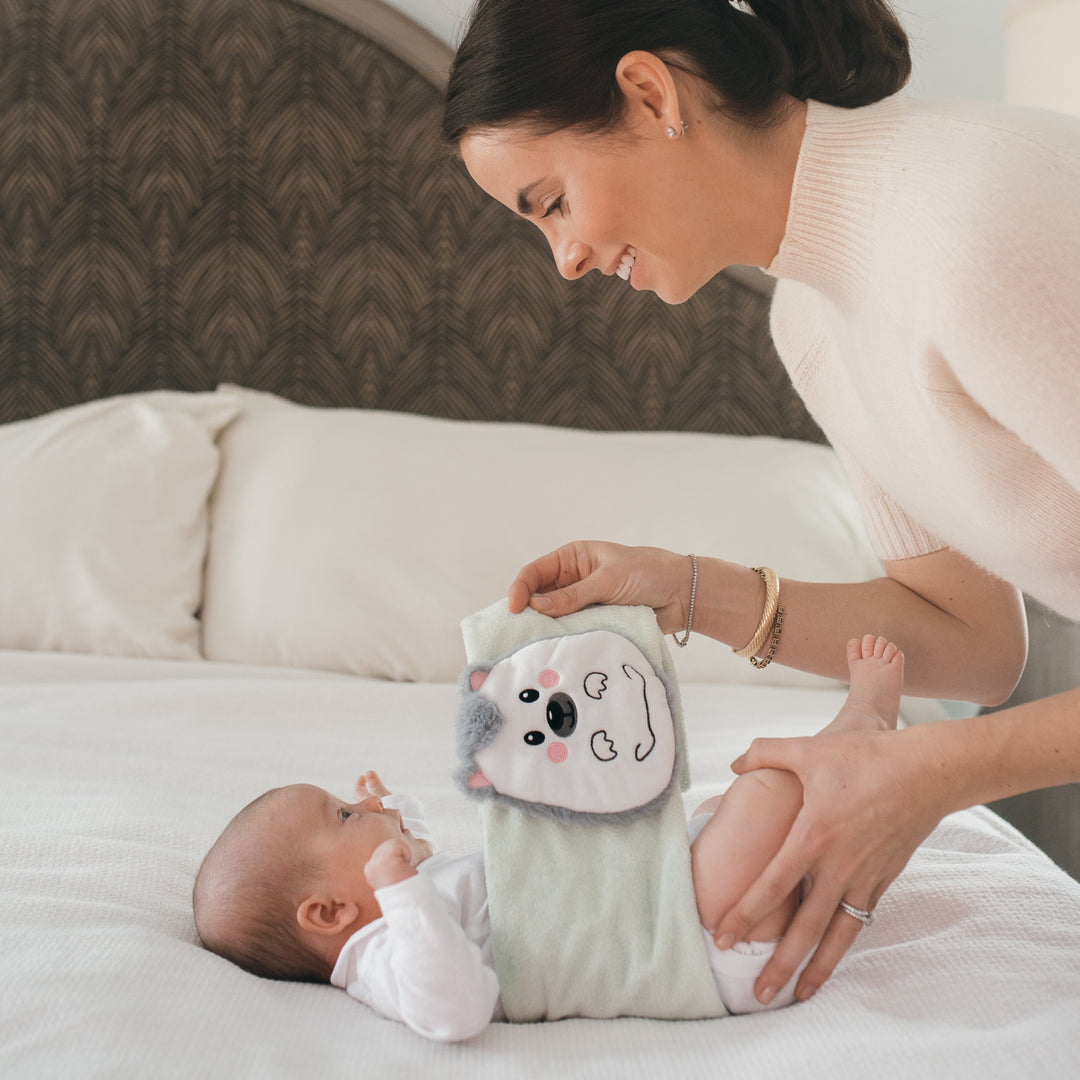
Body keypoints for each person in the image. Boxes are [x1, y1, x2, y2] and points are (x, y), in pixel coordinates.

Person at [441, 0, 1080, 1010]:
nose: (562, 261)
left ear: (650, 94)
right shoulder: (813, 323)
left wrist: (931, 770)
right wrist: (688, 592)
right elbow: (972, 642)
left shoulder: (977, 221)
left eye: (551, 200)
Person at [193, 636, 905, 1038]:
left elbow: (424, 859)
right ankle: (864, 726)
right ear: (328, 914)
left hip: (678, 904)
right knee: (769, 784)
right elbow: (456, 1010)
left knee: (727, 804)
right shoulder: (388, 959)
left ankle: (858, 766)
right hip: (700, 946)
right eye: (342, 815)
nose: (361, 810)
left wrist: (383, 822)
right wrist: (398, 889)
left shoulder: (404, 911)